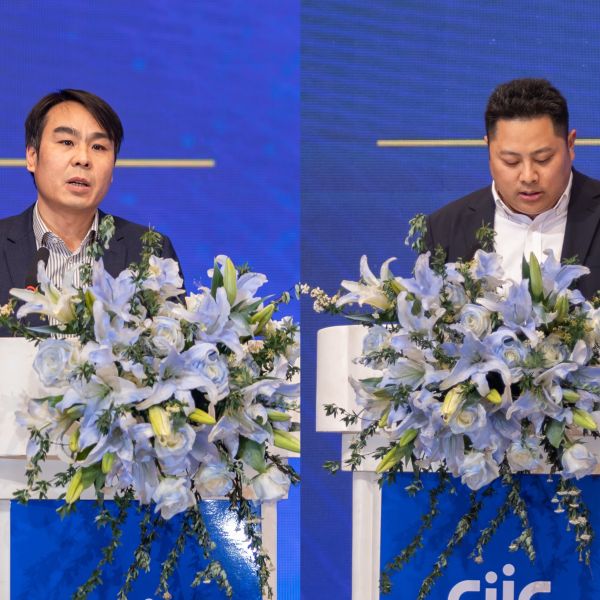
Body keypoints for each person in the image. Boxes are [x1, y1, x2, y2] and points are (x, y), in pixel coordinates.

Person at [0, 89, 181, 309]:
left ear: (113, 168)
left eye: (98, 147)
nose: (83, 159)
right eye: (67, 142)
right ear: (32, 156)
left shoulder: (151, 253)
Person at [426, 77, 600, 299]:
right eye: (511, 161)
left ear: (570, 145)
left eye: (543, 159)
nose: (528, 176)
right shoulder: (444, 230)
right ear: (489, 149)